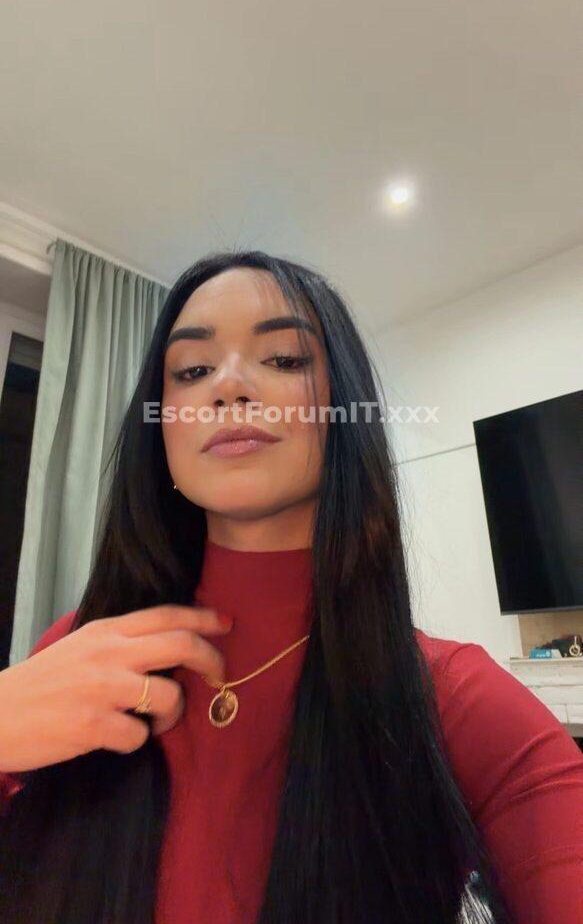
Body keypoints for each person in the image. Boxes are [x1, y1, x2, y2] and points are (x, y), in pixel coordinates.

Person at [0, 250, 581, 924]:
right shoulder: (77, 653)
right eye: (192, 371)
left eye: (283, 359)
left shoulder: (452, 697)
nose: (228, 386)